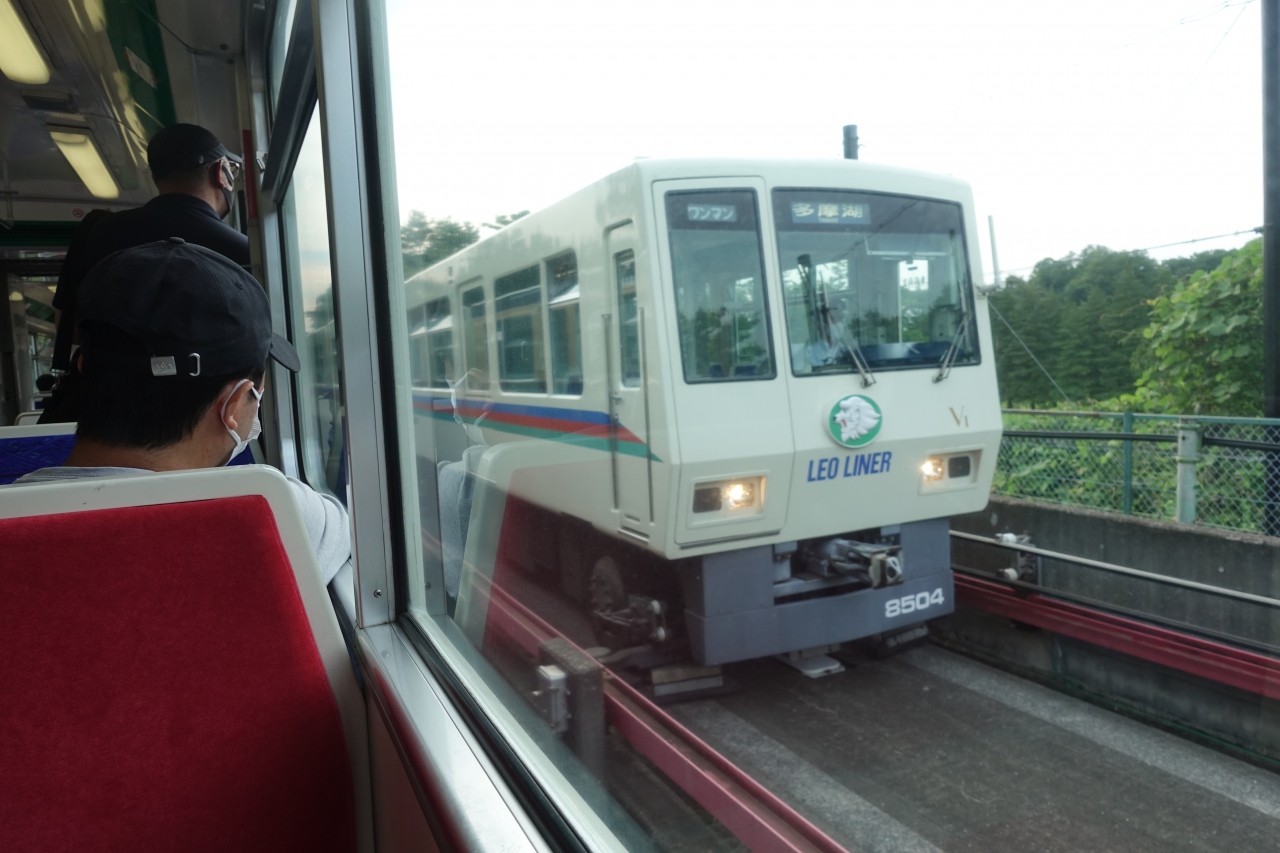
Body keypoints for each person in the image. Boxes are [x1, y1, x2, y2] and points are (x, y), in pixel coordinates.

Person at [12, 238, 350, 588]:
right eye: (256, 395)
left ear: (83, 368)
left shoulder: (14, 521)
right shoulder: (279, 513)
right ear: (234, 405)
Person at [44, 123, 249, 423]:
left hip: (107, 411)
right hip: (205, 417)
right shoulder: (242, 251)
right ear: (221, 172)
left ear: (157, 177)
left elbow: (70, 327)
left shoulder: (99, 232)